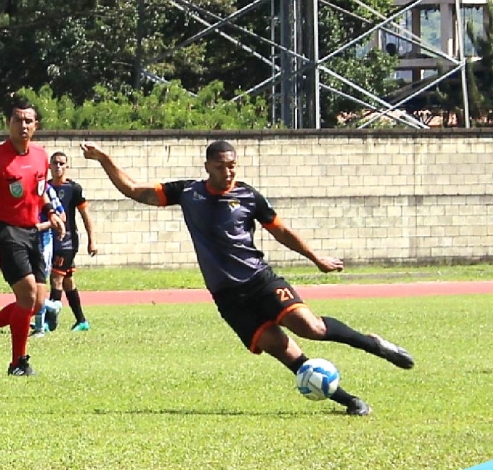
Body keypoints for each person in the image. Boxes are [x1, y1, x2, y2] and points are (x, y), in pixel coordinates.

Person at [80, 139, 414, 415]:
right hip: (228, 298)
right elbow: (135, 190)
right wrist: (104, 158)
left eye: (233, 166)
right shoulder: (188, 193)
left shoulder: (248, 196)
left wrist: (316, 258)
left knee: (312, 328)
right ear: (208, 165)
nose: (229, 171)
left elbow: (280, 230)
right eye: (223, 166)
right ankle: (350, 401)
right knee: (286, 353)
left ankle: (374, 344)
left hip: (261, 281)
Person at [0, 96, 66, 376]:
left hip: (33, 232)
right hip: (6, 232)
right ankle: (18, 363)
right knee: (27, 295)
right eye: (18, 120)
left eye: (28, 120)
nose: (23, 125)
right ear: (9, 123)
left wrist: (52, 213)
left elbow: (41, 190)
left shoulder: (41, 156)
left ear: (36, 125)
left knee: (37, 303)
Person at [43, 150, 97, 332]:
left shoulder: (74, 189)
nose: (58, 166)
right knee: (67, 281)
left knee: (55, 278)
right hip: (50, 241)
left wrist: (92, 240)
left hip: (67, 242)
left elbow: (85, 214)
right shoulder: (45, 188)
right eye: (54, 163)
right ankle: (81, 321)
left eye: (61, 163)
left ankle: (50, 322)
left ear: (67, 166)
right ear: (49, 166)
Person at [29, 184, 66, 338]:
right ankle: (52, 306)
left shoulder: (46, 189)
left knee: (39, 283)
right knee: (26, 284)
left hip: (43, 240)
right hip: (23, 239)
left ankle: (39, 328)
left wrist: (40, 226)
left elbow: (61, 216)